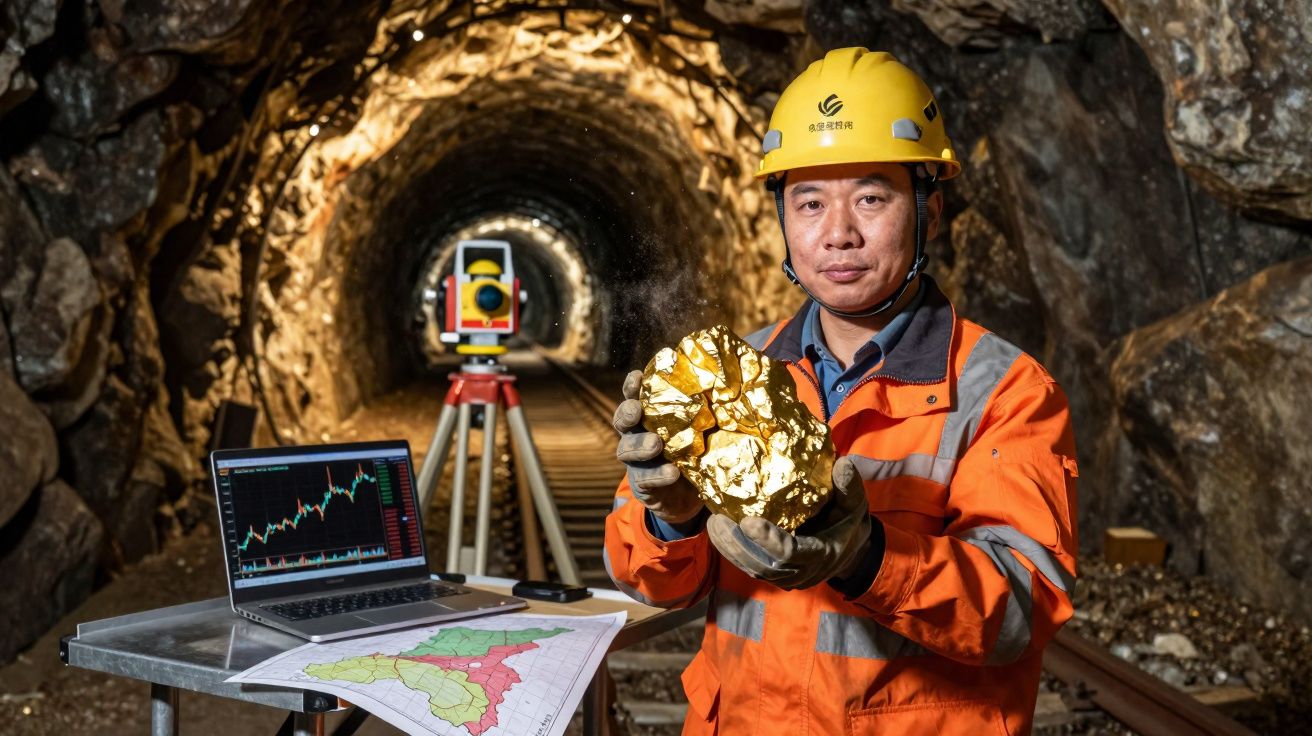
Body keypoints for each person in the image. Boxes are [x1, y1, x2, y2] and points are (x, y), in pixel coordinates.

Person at [604, 47, 1078, 735]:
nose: (838, 234)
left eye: (871, 197)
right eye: (810, 201)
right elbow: (649, 581)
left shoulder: (1002, 391)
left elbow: (1016, 614)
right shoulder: (736, 372)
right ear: (783, 221)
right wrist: (670, 519)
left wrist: (868, 557)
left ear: (930, 213)